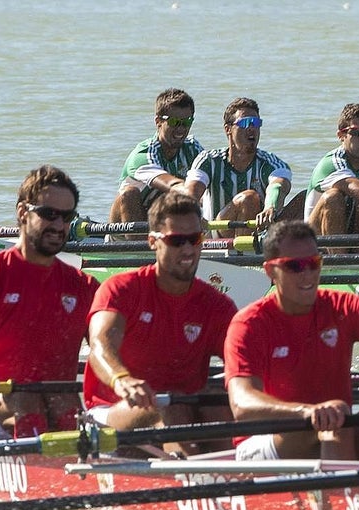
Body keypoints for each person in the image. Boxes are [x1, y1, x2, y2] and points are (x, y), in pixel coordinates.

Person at [224, 221, 359, 461]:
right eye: (294, 266)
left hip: (332, 423)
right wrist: (306, 411)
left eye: (313, 263)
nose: (307, 274)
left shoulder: (345, 306)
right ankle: (339, 494)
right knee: (334, 421)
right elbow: (242, 404)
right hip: (264, 441)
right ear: (270, 271)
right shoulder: (249, 323)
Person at [83, 192, 238, 455]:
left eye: (194, 239)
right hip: (113, 409)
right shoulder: (122, 290)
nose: (188, 249)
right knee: (167, 403)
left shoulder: (216, 305)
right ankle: (195, 480)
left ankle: (232, 478)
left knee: (219, 403)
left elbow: (247, 363)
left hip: (180, 403)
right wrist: (122, 379)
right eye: (177, 241)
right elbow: (100, 346)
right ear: (153, 241)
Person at [0, 166, 99, 438]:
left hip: (58, 408)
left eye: (67, 217)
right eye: (48, 214)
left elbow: (108, 353)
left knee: (60, 404)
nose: (58, 225)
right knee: (26, 400)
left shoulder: (84, 286)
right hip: (6, 407)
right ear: (22, 212)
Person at [182, 97, 293, 232]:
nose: (252, 128)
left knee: (303, 198)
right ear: (228, 129)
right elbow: (191, 192)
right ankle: (244, 251)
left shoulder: (271, 163)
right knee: (248, 198)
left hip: (258, 232)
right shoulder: (208, 160)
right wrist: (192, 212)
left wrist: (270, 206)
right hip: (217, 234)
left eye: (256, 123)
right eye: (246, 122)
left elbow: (279, 185)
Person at [110, 88, 205, 234]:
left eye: (187, 122)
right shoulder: (143, 154)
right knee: (129, 193)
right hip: (129, 231)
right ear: (158, 122)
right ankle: (142, 251)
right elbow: (170, 184)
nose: (181, 129)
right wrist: (192, 191)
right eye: (174, 122)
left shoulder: (192, 148)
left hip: (165, 225)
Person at [305, 103, 359, 237]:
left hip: (355, 231)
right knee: (333, 197)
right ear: (341, 135)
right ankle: (339, 257)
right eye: (357, 133)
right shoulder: (331, 163)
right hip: (316, 242)